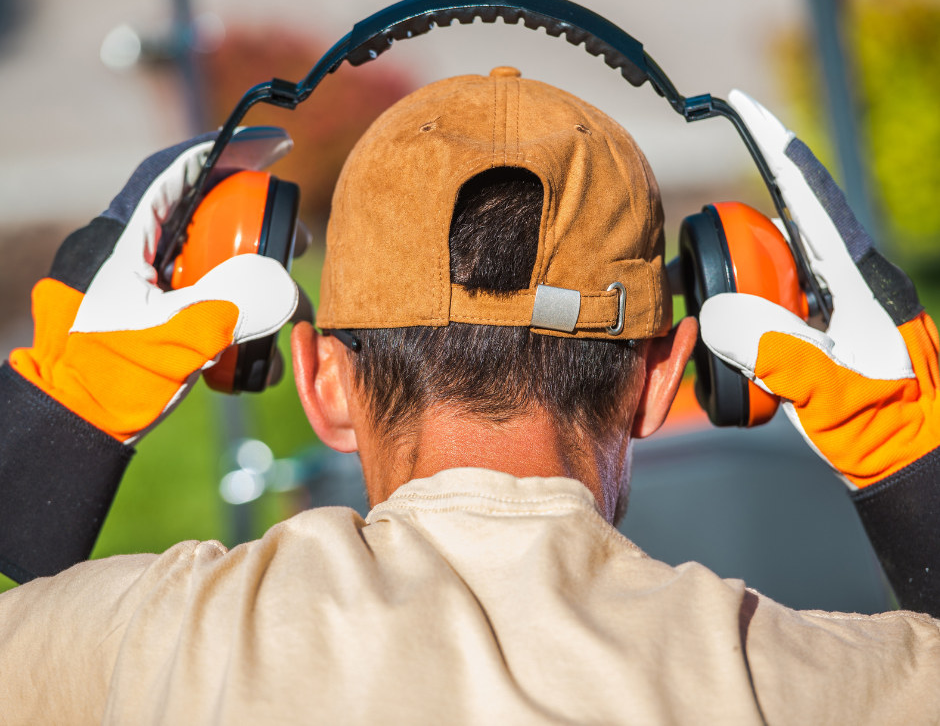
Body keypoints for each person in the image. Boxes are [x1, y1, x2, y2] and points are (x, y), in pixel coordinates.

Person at [0, 67, 938, 725]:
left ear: (325, 383)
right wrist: (911, 460)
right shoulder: (796, 684)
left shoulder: (145, 650)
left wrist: (51, 428)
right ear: (662, 381)